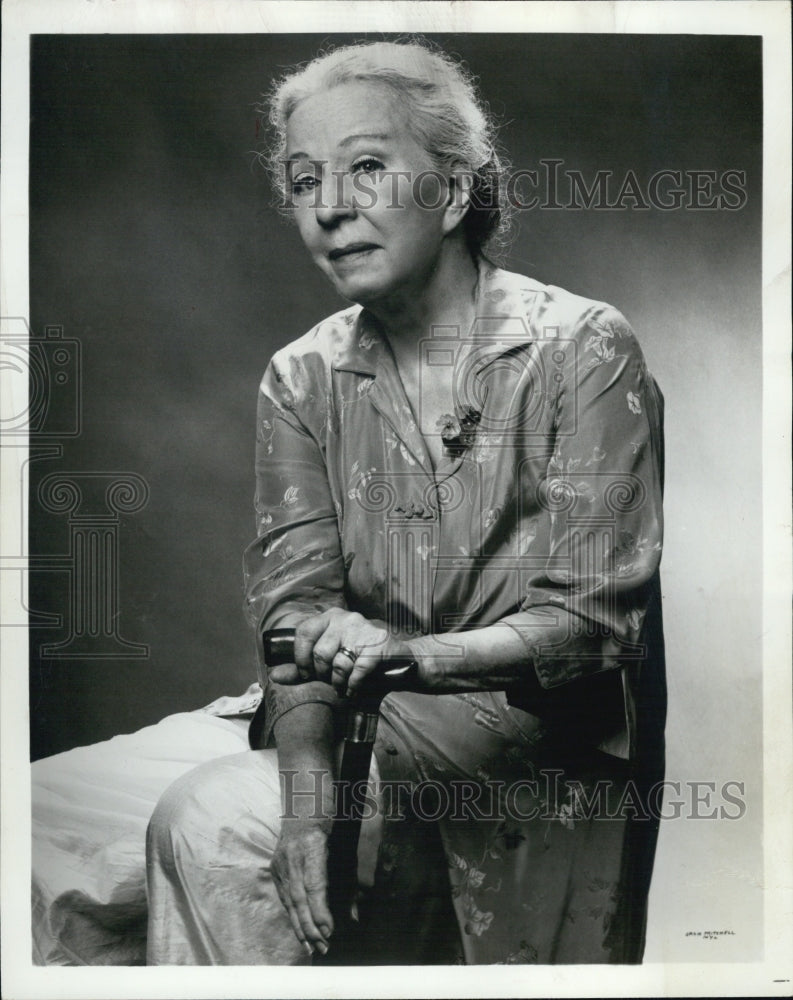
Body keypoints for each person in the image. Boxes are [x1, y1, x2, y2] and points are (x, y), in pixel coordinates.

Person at [32, 38, 666, 967]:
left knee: (210, 822)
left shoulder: (580, 348)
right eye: (301, 181)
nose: (328, 209)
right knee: (36, 819)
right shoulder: (303, 374)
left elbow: (594, 623)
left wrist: (405, 657)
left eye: (366, 168)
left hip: (515, 750)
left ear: (452, 193)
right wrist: (306, 798)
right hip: (340, 721)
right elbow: (295, 616)